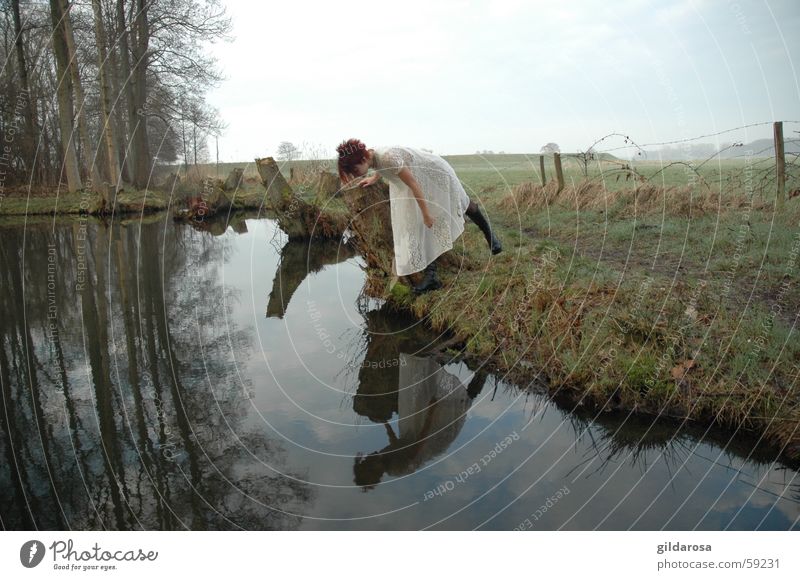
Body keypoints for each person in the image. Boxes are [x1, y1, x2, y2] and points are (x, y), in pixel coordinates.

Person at [336, 139, 502, 294]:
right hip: (417, 178)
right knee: (416, 225)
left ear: (362, 159)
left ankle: (491, 236)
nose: (356, 176)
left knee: (463, 202)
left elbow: (413, 183)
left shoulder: (387, 157)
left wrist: (426, 214)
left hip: (435, 172)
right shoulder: (373, 158)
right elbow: (383, 168)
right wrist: (374, 177)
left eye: (356, 171)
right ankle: (432, 277)